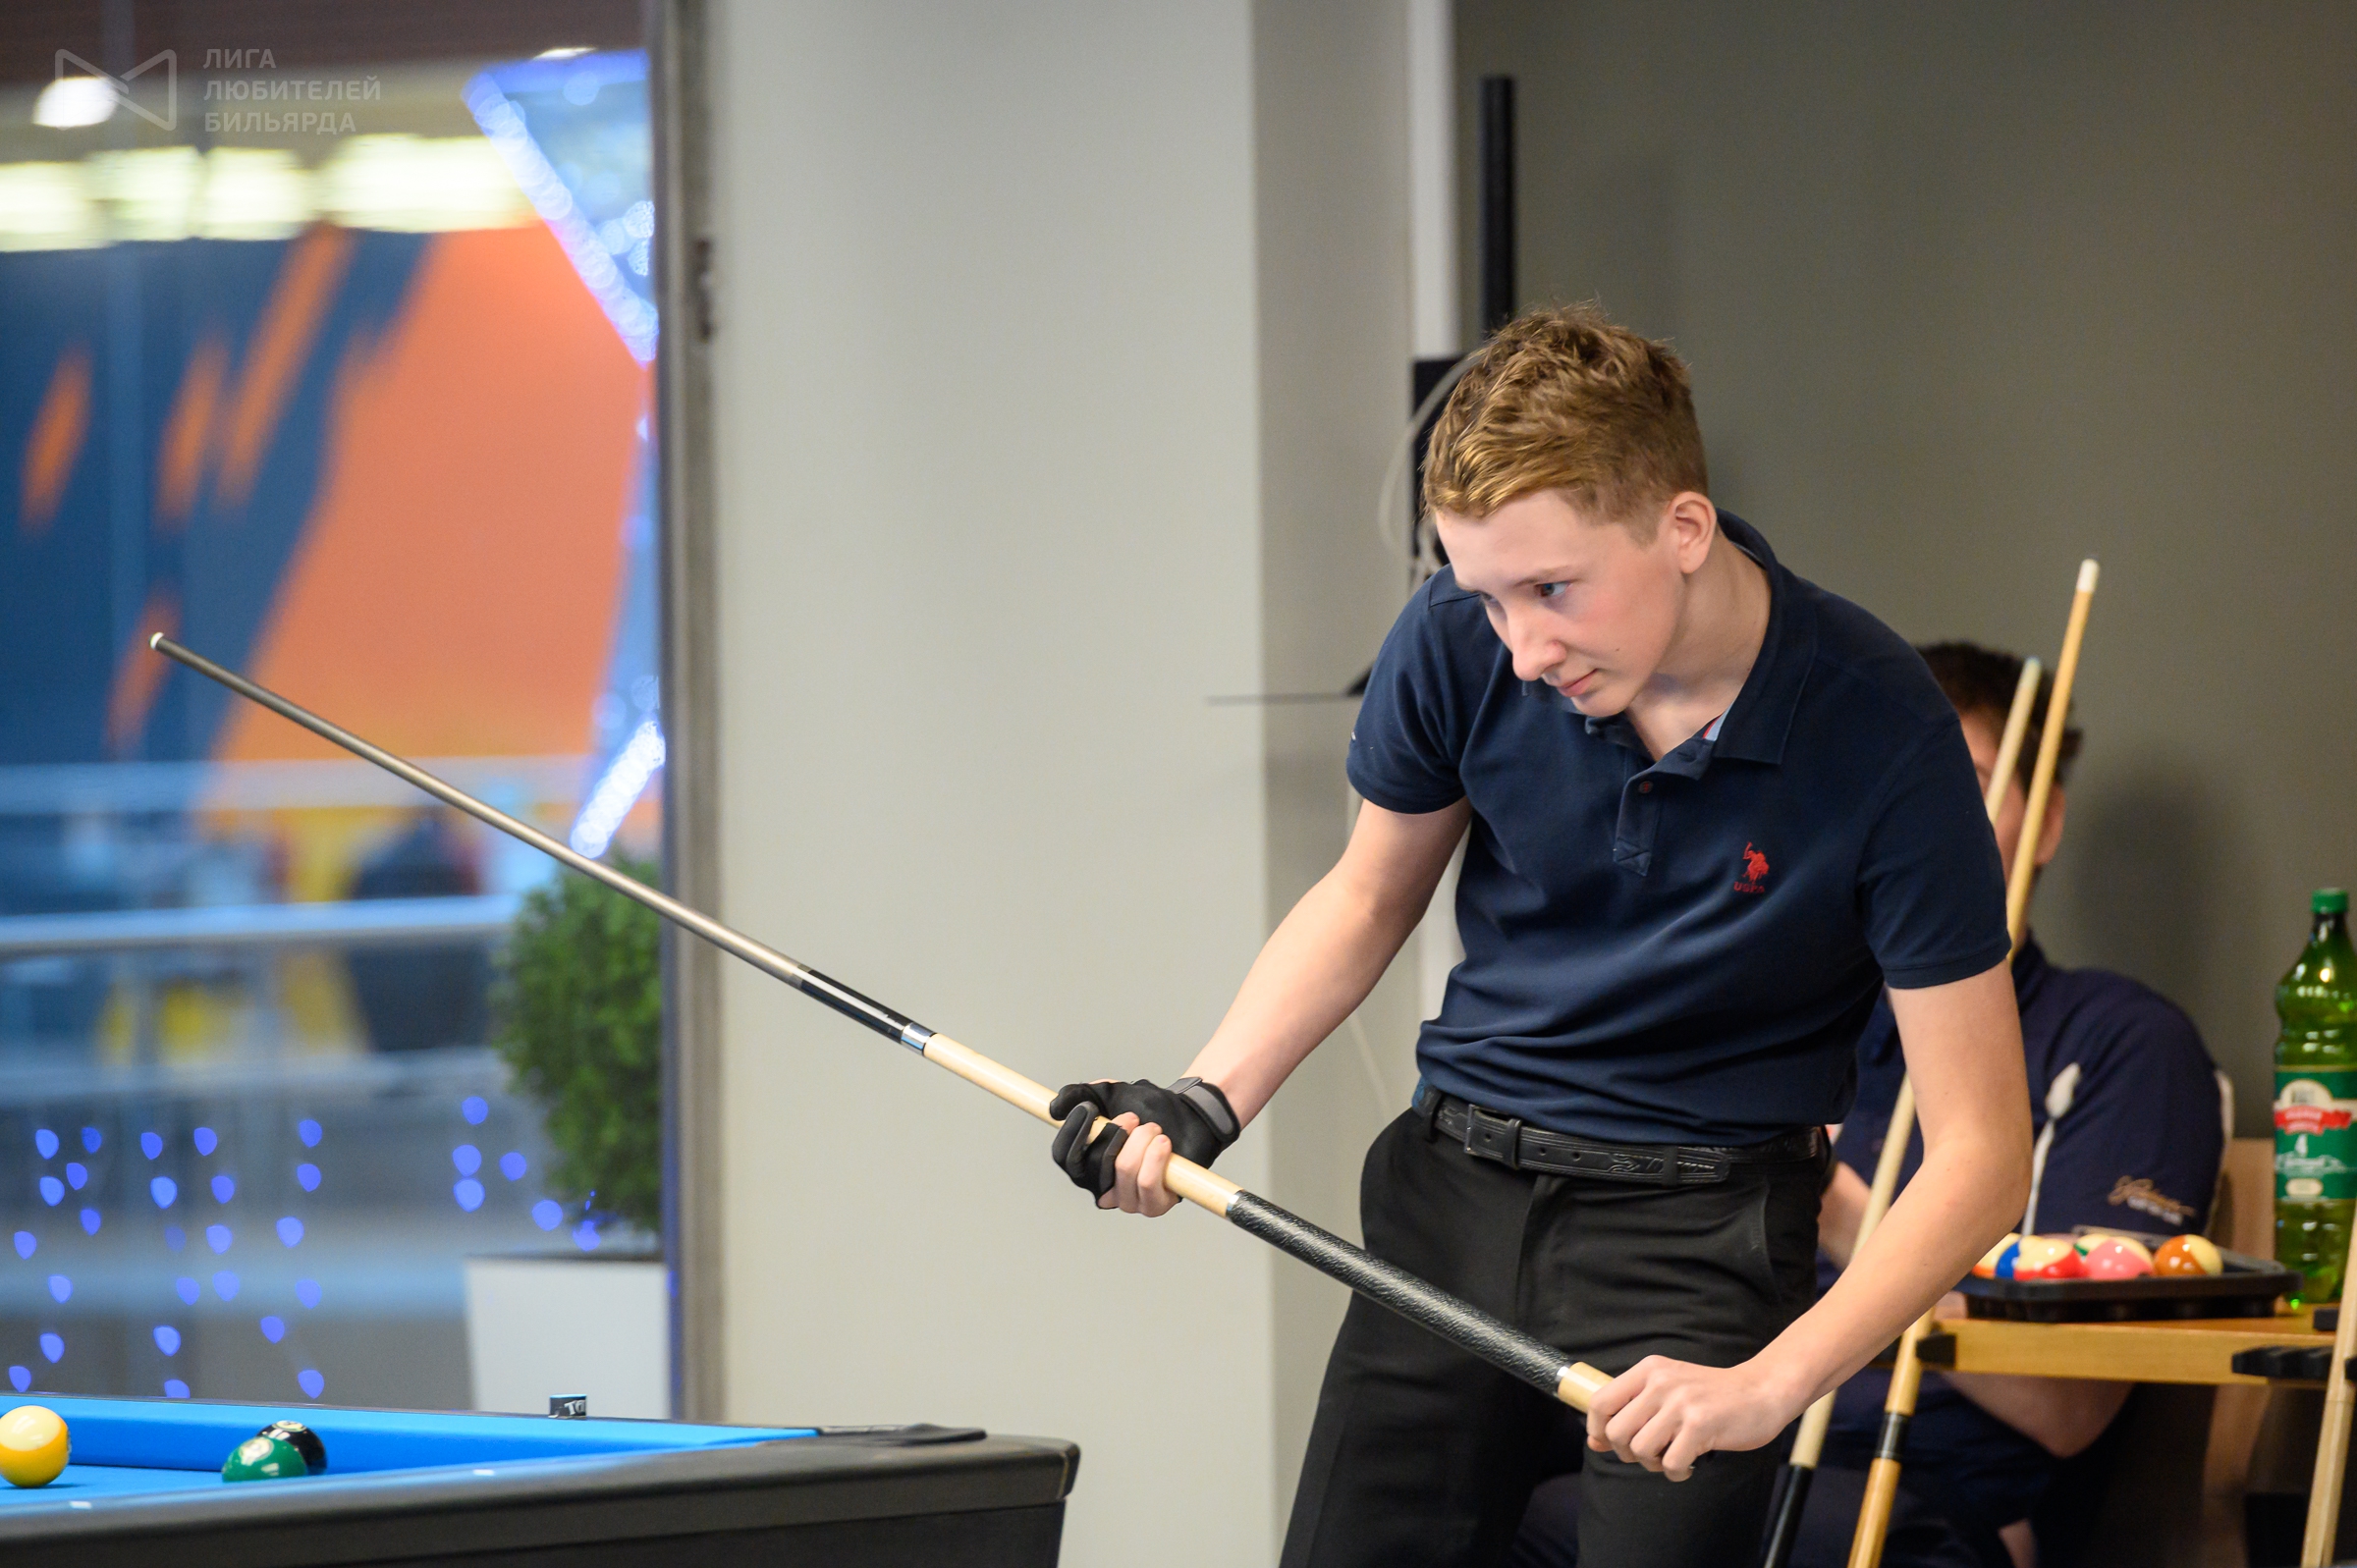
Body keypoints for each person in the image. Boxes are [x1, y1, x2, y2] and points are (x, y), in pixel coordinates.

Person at [1047, 304, 2033, 1568]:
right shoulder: (1459, 641)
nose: (1521, 650)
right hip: (1454, 1201)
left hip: (1702, 1238)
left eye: (1554, 590)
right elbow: (1366, 896)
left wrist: (1773, 1382)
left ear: (1685, 528)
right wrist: (1201, 1099)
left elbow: (1982, 1153)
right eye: (1489, 597)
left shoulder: (1883, 730)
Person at [1786, 643, 2227, 1568]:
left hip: (1931, 1498)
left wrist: (1839, 1210)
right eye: (1891, 785)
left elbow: (2065, 1404)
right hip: (1743, 1452)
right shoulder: (1804, 1027)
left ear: (2048, 820)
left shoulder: (2119, 1043)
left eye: (1967, 783)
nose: (1925, 820)